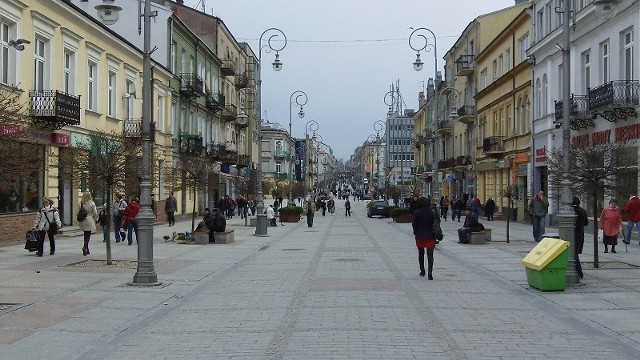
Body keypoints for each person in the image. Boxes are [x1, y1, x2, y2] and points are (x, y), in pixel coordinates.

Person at [412, 197, 436, 279]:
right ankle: (430, 273)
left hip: (420, 235)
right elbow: (434, 222)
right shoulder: (431, 212)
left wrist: (416, 232)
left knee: (421, 253)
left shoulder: (417, 212)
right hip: (430, 235)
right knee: (430, 255)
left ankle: (422, 270)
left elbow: (414, 224)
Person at [572, 197, 588, 279]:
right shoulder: (583, 211)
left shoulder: (571, 211)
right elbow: (586, 223)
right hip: (580, 234)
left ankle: (579, 271)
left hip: (571, 234)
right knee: (576, 252)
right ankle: (578, 271)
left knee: (573, 254)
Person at [78, 191, 98, 256]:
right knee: (88, 234)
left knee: (85, 234)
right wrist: (96, 218)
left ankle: (86, 248)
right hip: (89, 219)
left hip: (83, 220)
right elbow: (95, 212)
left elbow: (78, 211)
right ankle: (85, 247)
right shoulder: (92, 203)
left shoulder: (81, 203)